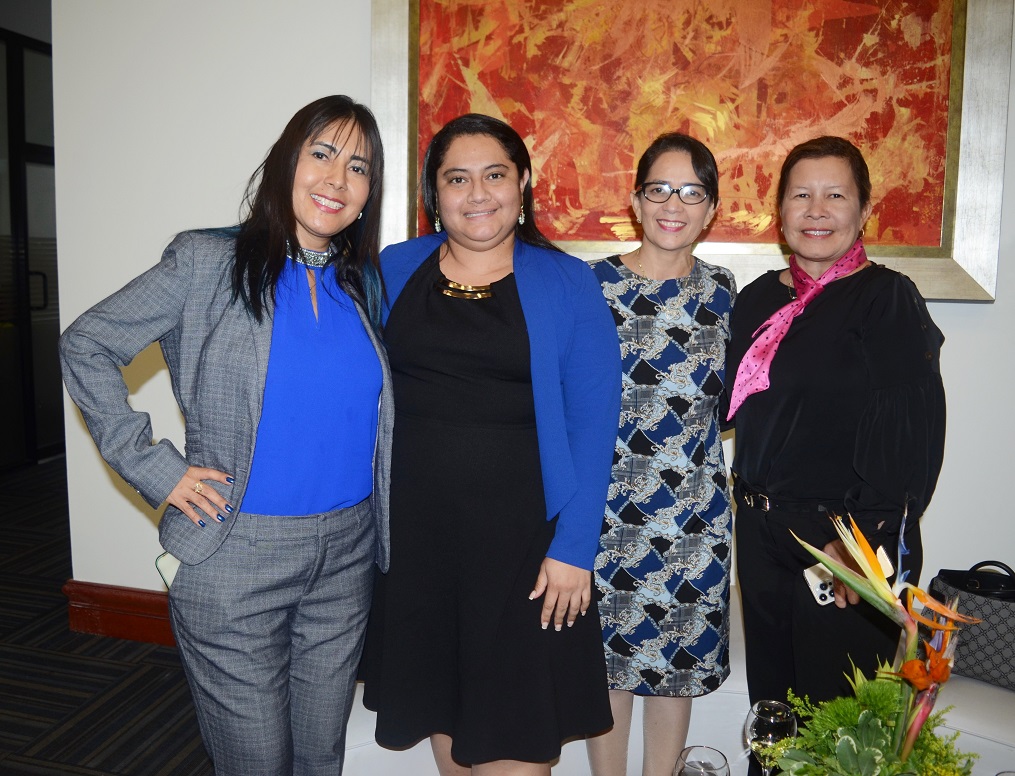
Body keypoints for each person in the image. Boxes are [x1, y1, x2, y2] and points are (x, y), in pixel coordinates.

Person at [59, 96, 392, 776]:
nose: (337, 178)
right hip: (234, 551)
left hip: (347, 555)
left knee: (320, 753)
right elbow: (85, 344)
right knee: (256, 760)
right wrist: (155, 468)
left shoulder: (364, 284)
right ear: (283, 164)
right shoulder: (205, 263)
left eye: (357, 166)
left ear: (367, 193)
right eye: (321, 154)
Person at [359, 113, 621, 775]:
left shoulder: (566, 282)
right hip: (419, 541)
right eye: (457, 178)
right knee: (446, 714)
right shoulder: (392, 268)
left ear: (523, 182)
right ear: (433, 193)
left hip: (524, 548)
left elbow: (595, 425)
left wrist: (573, 549)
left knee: (517, 734)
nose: (477, 193)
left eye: (494, 175)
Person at [724, 136, 946, 730]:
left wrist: (864, 543)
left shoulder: (887, 298)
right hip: (761, 533)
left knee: (836, 725)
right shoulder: (757, 300)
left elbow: (912, 438)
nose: (816, 210)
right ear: (781, 213)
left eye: (834, 195)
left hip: (841, 542)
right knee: (771, 712)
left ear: (863, 211)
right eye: (801, 195)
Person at [584, 133, 736, 776]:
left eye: (691, 192)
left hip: (696, 523)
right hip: (608, 518)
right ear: (636, 200)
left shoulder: (727, 294)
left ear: (710, 210)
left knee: (676, 674)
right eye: (659, 189)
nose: (673, 204)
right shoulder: (590, 288)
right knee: (609, 673)